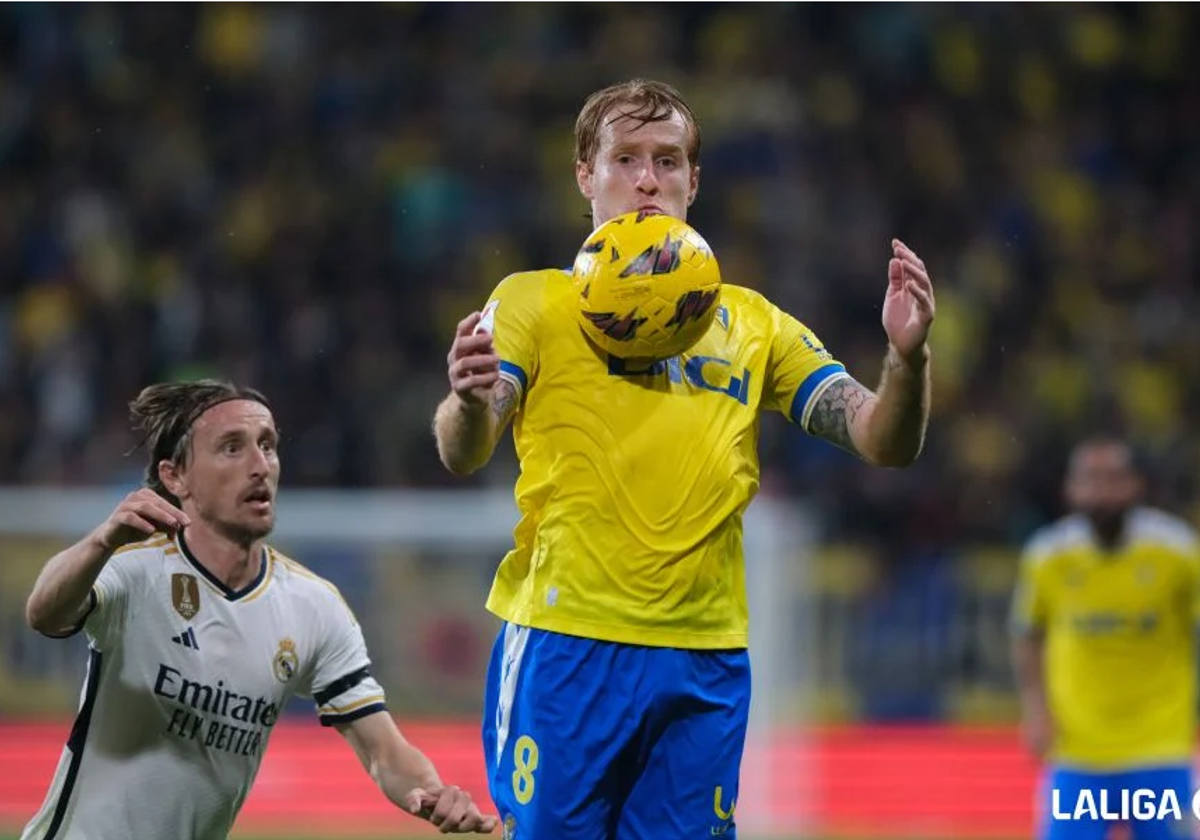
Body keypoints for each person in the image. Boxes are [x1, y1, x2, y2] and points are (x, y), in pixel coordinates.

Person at [432, 78, 935, 838]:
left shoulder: (754, 323)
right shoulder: (534, 303)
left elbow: (882, 440)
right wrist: (469, 401)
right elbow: (464, 451)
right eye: (625, 159)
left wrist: (908, 359)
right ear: (584, 175)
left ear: (694, 182)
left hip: (704, 657)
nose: (646, 180)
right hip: (569, 647)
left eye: (667, 162)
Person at [22, 380, 496, 840]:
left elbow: (383, 752)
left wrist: (433, 792)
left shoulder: (313, 606)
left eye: (267, 446)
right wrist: (102, 541)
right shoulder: (136, 571)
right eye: (232, 447)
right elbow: (44, 613)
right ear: (175, 476)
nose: (259, 465)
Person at [1011, 436, 1200, 840]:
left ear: (1136, 486)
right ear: (1070, 489)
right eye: (1091, 479)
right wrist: (1035, 710)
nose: (1103, 491)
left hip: (1159, 746)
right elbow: (1027, 636)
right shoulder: (1048, 556)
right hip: (1078, 752)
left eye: (1114, 479)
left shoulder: (1178, 552)